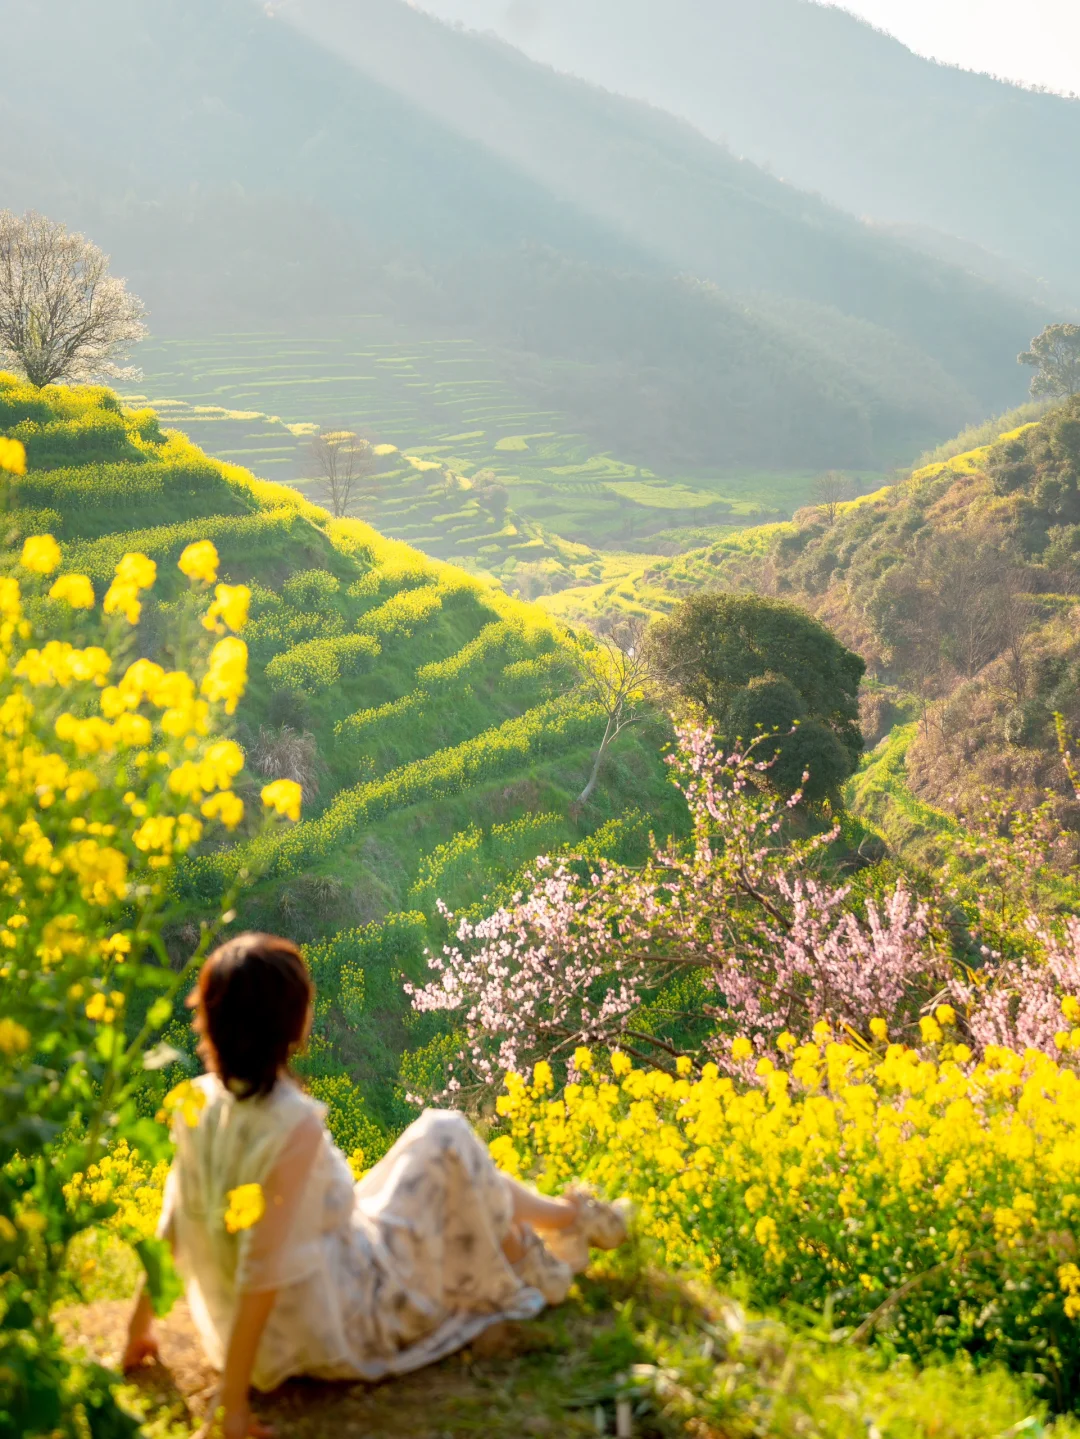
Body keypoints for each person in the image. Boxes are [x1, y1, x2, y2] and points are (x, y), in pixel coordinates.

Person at [122, 932, 628, 1438]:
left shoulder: (195, 1102)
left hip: (249, 1326)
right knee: (445, 1133)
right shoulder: (290, 1123)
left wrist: (137, 1329)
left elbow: (174, 1220)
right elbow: (262, 1262)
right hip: (335, 1321)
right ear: (291, 1024)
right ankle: (563, 1224)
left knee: (436, 1154)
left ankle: (562, 1221)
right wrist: (231, 1407)